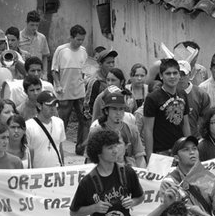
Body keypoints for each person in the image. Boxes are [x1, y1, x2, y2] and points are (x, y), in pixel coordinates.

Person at [25, 91, 81, 216]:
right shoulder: (29, 126)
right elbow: (30, 154)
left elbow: (60, 147)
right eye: (49, 105)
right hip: (38, 180)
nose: (53, 108)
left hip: (57, 179)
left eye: (55, 104)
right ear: (40, 106)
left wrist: (63, 168)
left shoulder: (59, 123)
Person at [51, 24, 89, 156]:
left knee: (84, 120)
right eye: (78, 39)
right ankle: (57, 148)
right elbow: (54, 70)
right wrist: (58, 85)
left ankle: (80, 148)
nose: (80, 42)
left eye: (82, 40)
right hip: (64, 92)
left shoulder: (83, 51)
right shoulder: (61, 50)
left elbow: (85, 70)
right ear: (71, 37)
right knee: (62, 122)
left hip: (80, 92)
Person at [143, 58, 191, 160]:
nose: (172, 76)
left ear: (179, 75)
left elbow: (185, 124)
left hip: (180, 150)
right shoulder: (152, 98)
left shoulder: (182, 94)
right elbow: (148, 129)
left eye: (175, 73)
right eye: (168, 74)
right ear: (161, 76)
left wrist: (189, 148)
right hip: (161, 152)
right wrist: (149, 156)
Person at [87, 91, 146, 168]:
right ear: (106, 111)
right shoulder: (96, 131)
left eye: (121, 109)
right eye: (114, 109)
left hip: (125, 170)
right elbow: (90, 160)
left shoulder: (131, 130)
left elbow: (140, 157)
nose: (118, 113)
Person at [85, 48, 117, 122]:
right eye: (108, 63)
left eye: (113, 62)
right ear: (100, 64)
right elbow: (87, 109)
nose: (112, 65)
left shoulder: (115, 78)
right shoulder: (94, 82)